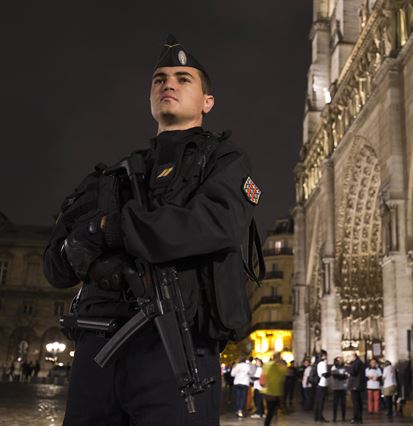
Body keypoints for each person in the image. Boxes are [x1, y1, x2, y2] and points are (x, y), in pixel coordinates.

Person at [42, 35, 263, 426]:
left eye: (183, 78)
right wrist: (87, 246)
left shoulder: (223, 160)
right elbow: (56, 264)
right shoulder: (113, 176)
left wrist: (112, 231)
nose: (169, 84)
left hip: (175, 348)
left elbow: (216, 224)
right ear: (150, 98)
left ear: (207, 102)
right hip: (98, 350)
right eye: (160, 78)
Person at [261, 352, 288, 426]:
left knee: (272, 411)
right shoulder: (276, 366)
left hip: (271, 392)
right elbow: (284, 373)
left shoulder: (268, 365)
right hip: (272, 392)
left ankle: (269, 423)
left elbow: (263, 375)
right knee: (271, 412)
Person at [347, 352, 365, 424]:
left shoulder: (357, 362)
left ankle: (356, 418)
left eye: (350, 356)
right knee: (358, 402)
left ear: (354, 356)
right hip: (357, 385)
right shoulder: (358, 362)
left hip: (355, 385)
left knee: (356, 403)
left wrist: (347, 367)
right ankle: (359, 418)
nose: (349, 358)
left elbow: (353, 372)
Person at [313, 350, 330, 422]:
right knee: (321, 402)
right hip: (322, 384)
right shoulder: (322, 363)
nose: (326, 356)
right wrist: (330, 373)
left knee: (318, 401)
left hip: (319, 384)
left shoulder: (318, 363)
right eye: (325, 355)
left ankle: (317, 416)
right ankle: (320, 417)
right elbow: (324, 374)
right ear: (323, 356)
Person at [330, 356, 349, 422]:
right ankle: (334, 417)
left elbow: (346, 376)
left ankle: (343, 417)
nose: (340, 361)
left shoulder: (345, 367)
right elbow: (336, 376)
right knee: (335, 403)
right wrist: (342, 376)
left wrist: (342, 376)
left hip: (343, 387)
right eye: (338, 360)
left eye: (341, 360)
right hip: (336, 387)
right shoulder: (334, 367)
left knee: (343, 403)